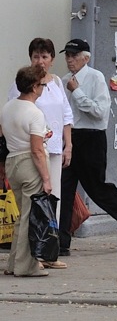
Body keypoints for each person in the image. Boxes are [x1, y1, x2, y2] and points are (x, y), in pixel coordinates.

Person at [59, 39, 117, 254]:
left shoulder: (95, 78)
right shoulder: (64, 80)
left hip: (92, 138)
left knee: (97, 189)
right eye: (67, 55)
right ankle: (62, 241)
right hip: (70, 138)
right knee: (64, 190)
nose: (69, 59)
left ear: (85, 58)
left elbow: (99, 112)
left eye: (74, 55)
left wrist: (77, 92)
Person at [7, 38, 72, 269]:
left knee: (52, 200)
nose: (40, 61)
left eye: (44, 57)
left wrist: (68, 145)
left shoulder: (55, 83)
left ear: (52, 60)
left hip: (53, 147)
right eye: (36, 56)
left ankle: (48, 251)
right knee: (34, 204)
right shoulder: (23, 84)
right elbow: (15, 117)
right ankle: (34, 256)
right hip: (32, 151)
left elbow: (66, 114)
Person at [3, 65, 55, 277]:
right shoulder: (35, 113)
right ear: (34, 87)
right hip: (28, 163)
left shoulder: (7, 107)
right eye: (42, 85)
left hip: (12, 161)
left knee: (21, 216)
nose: (43, 89)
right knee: (30, 217)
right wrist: (46, 179)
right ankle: (26, 266)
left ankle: (14, 262)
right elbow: (36, 150)